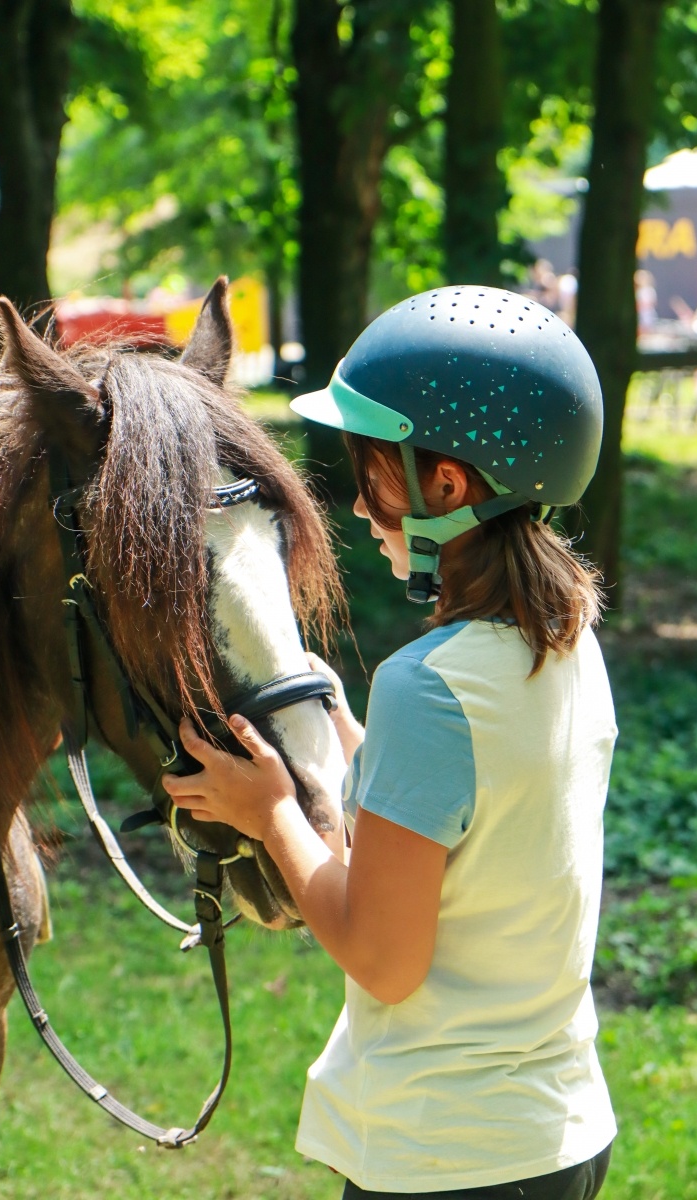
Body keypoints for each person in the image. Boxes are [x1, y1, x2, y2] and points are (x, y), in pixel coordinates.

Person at [163, 285, 618, 1200]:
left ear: (445, 484)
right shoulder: (562, 637)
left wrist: (274, 813)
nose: (361, 506)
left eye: (371, 472)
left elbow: (382, 958)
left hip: (447, 1156)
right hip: (556, 1132)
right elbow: (473, 806)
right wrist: (343, 720)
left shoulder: (430, 685)